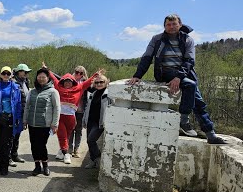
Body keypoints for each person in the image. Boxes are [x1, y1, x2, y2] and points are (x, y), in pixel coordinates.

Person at [128, 13, 226, 145]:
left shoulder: (187, 39)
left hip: (184, 74)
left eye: (174, 24)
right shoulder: (157, 39)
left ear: (180, 24)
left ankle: (210, 134)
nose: (171, 27)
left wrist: (179, 77)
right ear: (164, 26)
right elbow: (147, 58)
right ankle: (184, 120)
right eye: (168, 24)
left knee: (198, 102)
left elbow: (189, 61)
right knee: (190, 86)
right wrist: (137, 76)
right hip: (164, 73)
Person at [42, 62, 100, 164]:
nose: (67, 83)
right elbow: (53, 77)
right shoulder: (58, 87)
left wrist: (96, 75)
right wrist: (46, 69)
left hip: (72, 117)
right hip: (59, 116)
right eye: (65, 81)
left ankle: (61, 151)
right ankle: (66, 154)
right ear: (63, 82)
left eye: (69, 81)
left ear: (72, 82)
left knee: (67, 135)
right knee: (62, 135)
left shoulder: (79, 88)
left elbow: (89, 82)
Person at [23, 67, 60, 176]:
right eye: (39, 77)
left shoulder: (53, 91)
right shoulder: (32, 91)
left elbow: (57, 108)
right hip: (32, 123)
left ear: (48, 78)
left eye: (43, 77)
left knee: (41, 145)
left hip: (44, 124)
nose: (41, 79)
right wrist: (25, 120)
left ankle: (45, 165)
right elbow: (27, 106)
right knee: (34, 145)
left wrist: (55, 124)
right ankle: (37, 166)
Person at [0, 66, 22, 176]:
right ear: (0, 75)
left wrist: (18, 119)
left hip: (10, 118)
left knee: (7, 144)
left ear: (11, 75)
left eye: (8, 73)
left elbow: (18, 104)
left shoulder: (16, 87)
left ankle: (5, 166)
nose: (6, 75)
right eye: (4, 73)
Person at [82, 74, 112, 169]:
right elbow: (87, 108)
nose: (99, 84)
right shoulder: (93, 94)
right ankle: (93, 161)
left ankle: (98, 158)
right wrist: (84, 119)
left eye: (101, 82)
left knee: (91, 139)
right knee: (89, 141)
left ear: (106, 82)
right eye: (97, 82)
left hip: (100, 122)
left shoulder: (109, 94)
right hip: (91, 121)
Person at [10, 63, 32, 165]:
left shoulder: (26, 82)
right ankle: (8, 156)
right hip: (14, 113)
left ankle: (14, 154)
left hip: (23, 112)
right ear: (19, 72)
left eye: (27, 72)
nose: (26, 74)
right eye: (25, 72)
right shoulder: (13, 82)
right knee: (11, 135)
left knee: (18, 134)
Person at [69, 66, 88, 158]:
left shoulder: (85, 83)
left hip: (80, 110)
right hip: (70, 110)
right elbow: (58, 79)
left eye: (81, 73)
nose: (78, 75)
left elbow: (95, 87)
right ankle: (69, 149)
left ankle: (76, 149)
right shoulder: (69, 81)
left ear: (84, 74)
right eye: (77, 72)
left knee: (78, 131)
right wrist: (47, 70)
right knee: (70, 130)